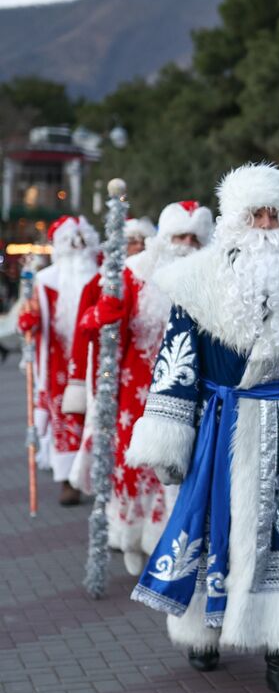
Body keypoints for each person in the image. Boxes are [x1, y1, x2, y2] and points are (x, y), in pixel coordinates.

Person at [126, 163, 279, 693]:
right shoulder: (196, 282)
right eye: (256, 214)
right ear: (234, 220)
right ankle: (203, 630)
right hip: (217, 431)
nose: (267, 224)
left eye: (275, 213)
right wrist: (167, 437)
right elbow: (175, 365)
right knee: (209, 528)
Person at [66, 200, 213, 574]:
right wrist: (104, 316)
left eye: (194, 238)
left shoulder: (210, 278)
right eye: (178, 236)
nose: (185, 244)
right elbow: (90, 324)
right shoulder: (133, 273)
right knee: (135, 466)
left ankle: (172, 542)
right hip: (137, 390)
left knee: (185, 467)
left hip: (194, 390)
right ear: (163, 237)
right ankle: (131, 537)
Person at [16, 214, 100, 505]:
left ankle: (97, 475)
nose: (78, 245)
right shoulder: (46, 280)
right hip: (60, 361)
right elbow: (33, 316)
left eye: (82, 239)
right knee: (66, 419)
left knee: (98, 417)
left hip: (97, 358)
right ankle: (67, 479)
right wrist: (27, 320)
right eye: (71, 240)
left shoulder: (102, 275)